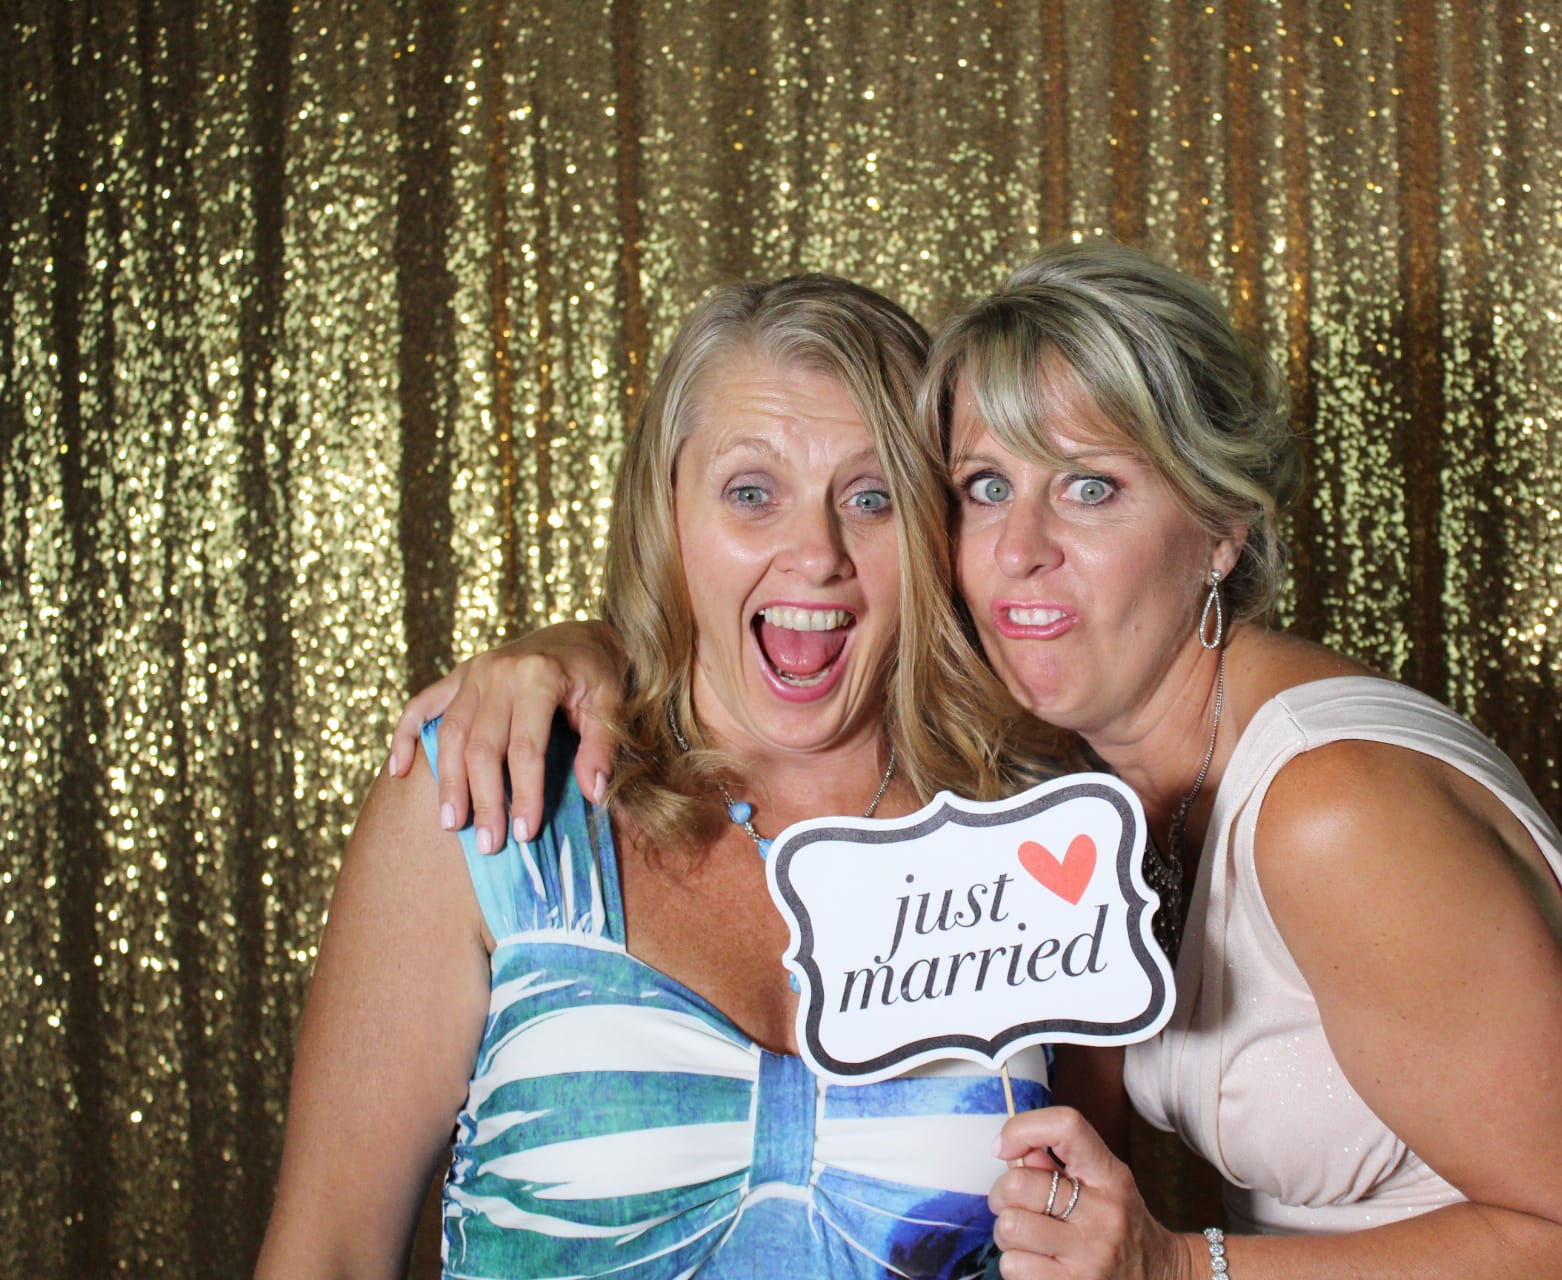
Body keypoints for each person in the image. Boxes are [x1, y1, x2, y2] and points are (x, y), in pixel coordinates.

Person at [389, 243, 1562, 1280]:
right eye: (983, 487)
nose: (1019, 548)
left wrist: (1177, 1270)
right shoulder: (1064, 792)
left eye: (1089, 486)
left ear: (1221, 530)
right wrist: (576, 655)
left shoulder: (1330, 806)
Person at [257, 275, 1063, 1280]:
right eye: (751, 491)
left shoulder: (1032, 833)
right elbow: (328, 1252)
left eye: (872, 497)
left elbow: (1093, 1227)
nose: (815, 554)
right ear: (666, 512)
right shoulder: (490, 785)